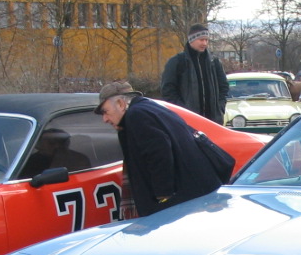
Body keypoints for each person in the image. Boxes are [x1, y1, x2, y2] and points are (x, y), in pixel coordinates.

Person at [96, 80, 223, 218]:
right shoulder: (150, 108)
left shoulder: (136, 115)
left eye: (105, 111)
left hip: (181, 204)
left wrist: (162, 196)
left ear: (120, 104)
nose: (105, 119)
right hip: (196, 194)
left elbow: (158, 152)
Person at [160, 24, 229, 124]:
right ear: (191, 40)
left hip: (213, 121)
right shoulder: (177, 62)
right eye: (201, 40)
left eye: (206, 40)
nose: (204, 43)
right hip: (186, 121)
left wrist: (220, 108)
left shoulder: (214, 62)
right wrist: (182, 111)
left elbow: (224, 87)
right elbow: (168, 91)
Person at [21, 128, 90, 178]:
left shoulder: (79, 159)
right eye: (52, 143)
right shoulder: (29, 162)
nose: (57, 146)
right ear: (38, 145)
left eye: (61, 142)